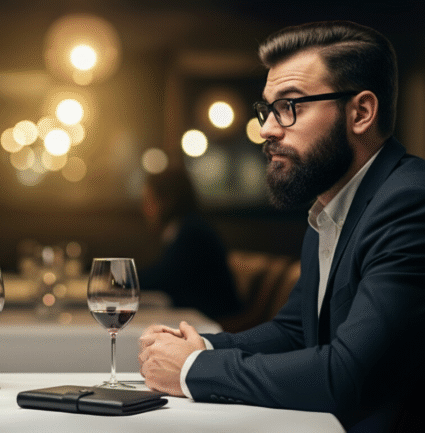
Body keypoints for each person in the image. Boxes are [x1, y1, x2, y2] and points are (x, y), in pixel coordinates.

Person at [138, 21, 425, 432]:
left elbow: (346, 375)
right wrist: (202, 345)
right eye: (268, 109)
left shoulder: (410, 202)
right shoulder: (330, 205)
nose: (268, 129)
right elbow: (294, 331)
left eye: (291, 106)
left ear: (360, 112)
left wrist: (195, 368)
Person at [138, 166, 242, 319]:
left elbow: (165, 277)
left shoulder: (193, 232)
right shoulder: (185, 227)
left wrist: (121, 280)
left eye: (149, 201)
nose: (145, 209)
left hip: (216, 321)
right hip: (200, 314)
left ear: (168, 200)